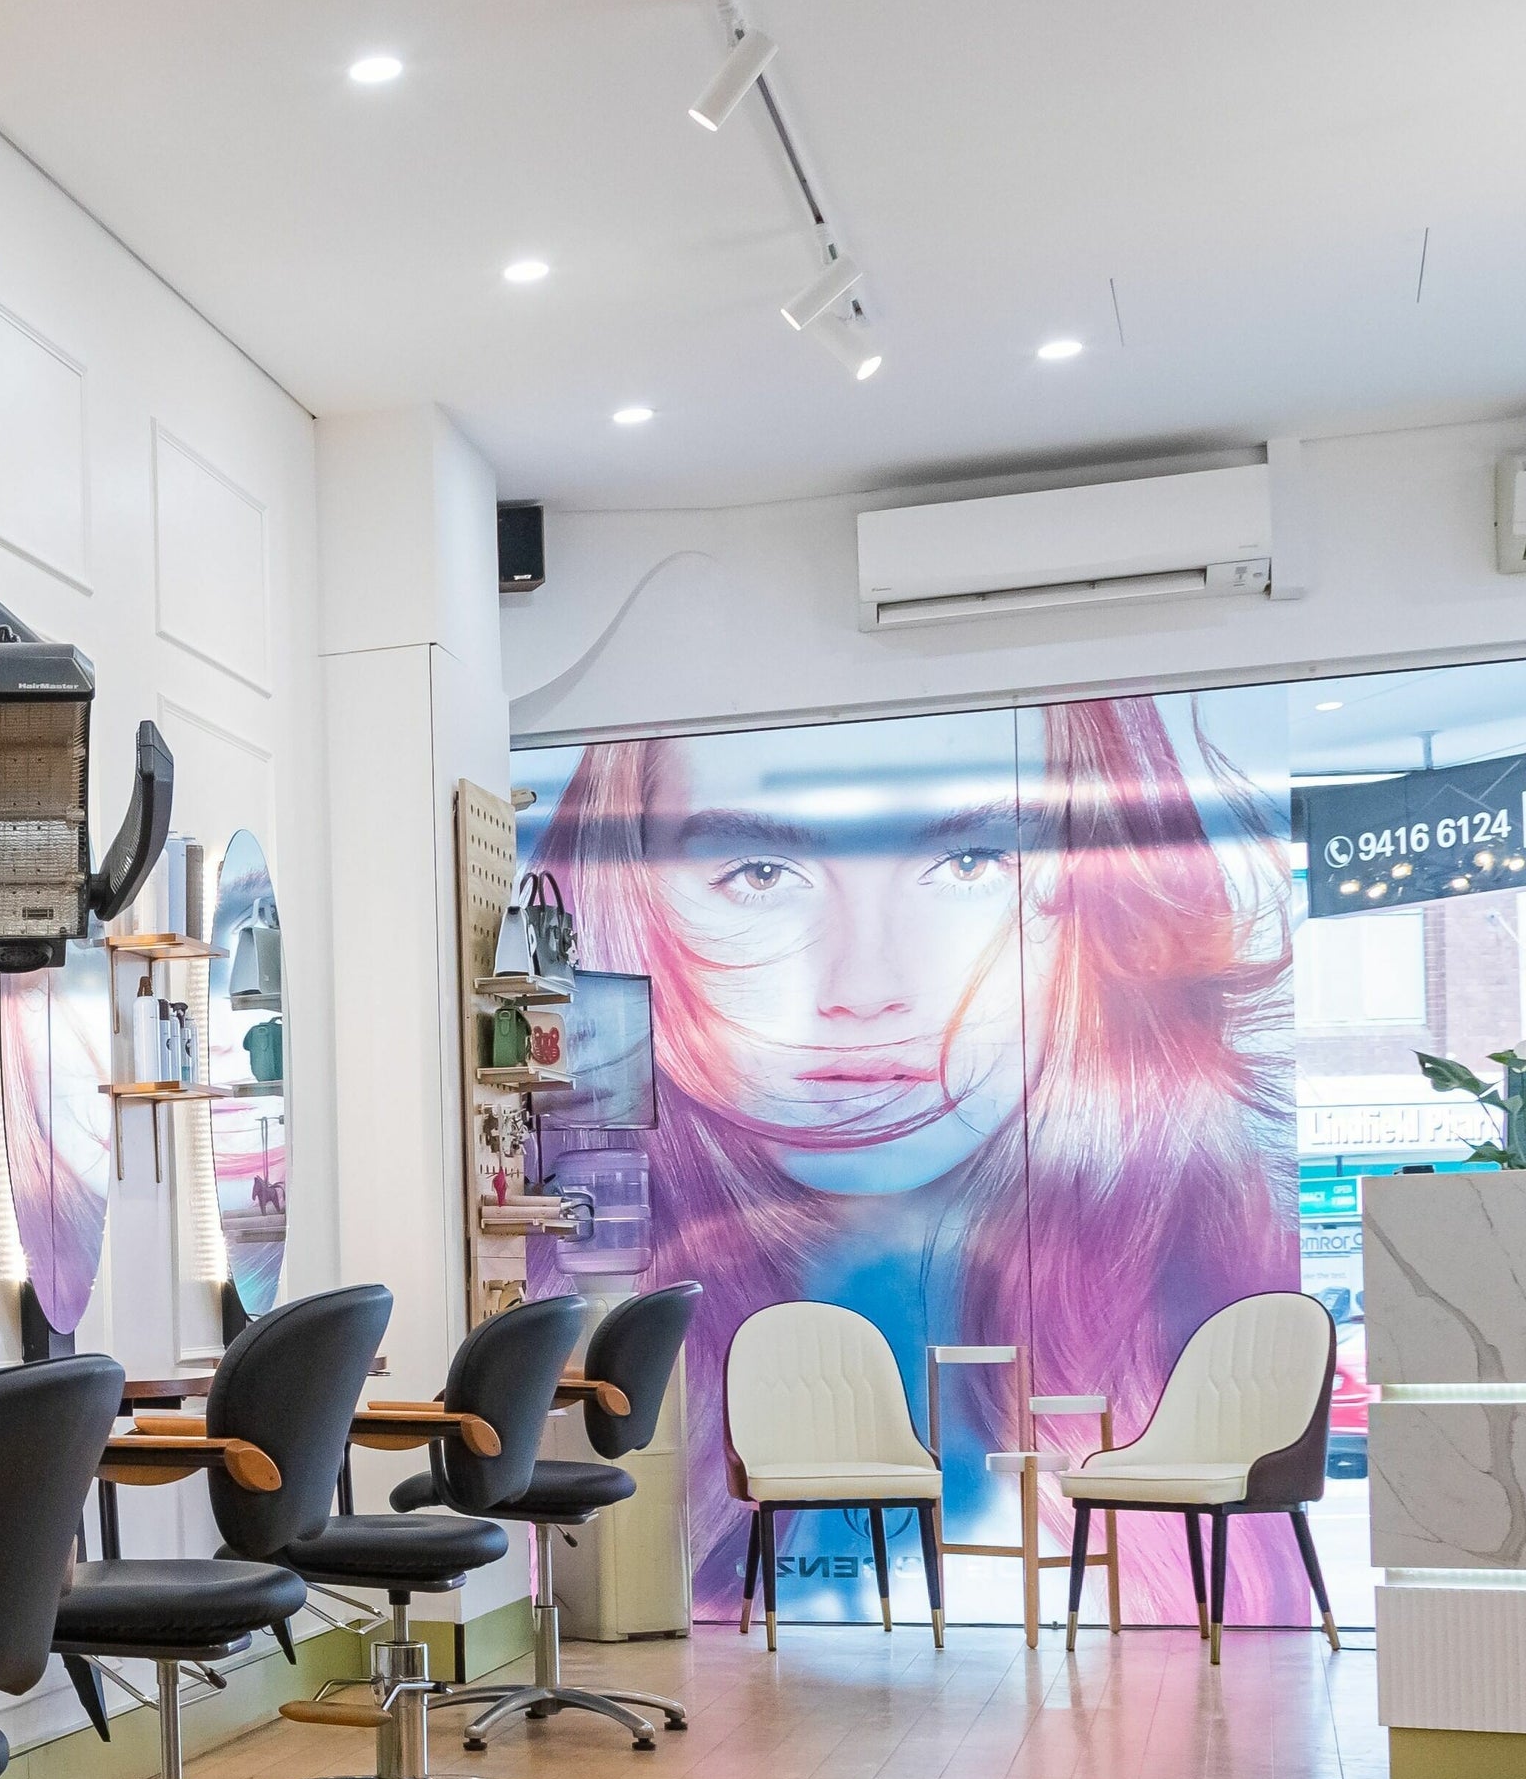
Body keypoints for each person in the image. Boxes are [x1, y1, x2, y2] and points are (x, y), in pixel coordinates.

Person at [525, 695, 1297, 1624]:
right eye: (761, 871)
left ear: (1104, 915)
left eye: (970, 861)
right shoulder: (583, 1285)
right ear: (630, 908)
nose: (865, 989)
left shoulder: (1196, 1276)